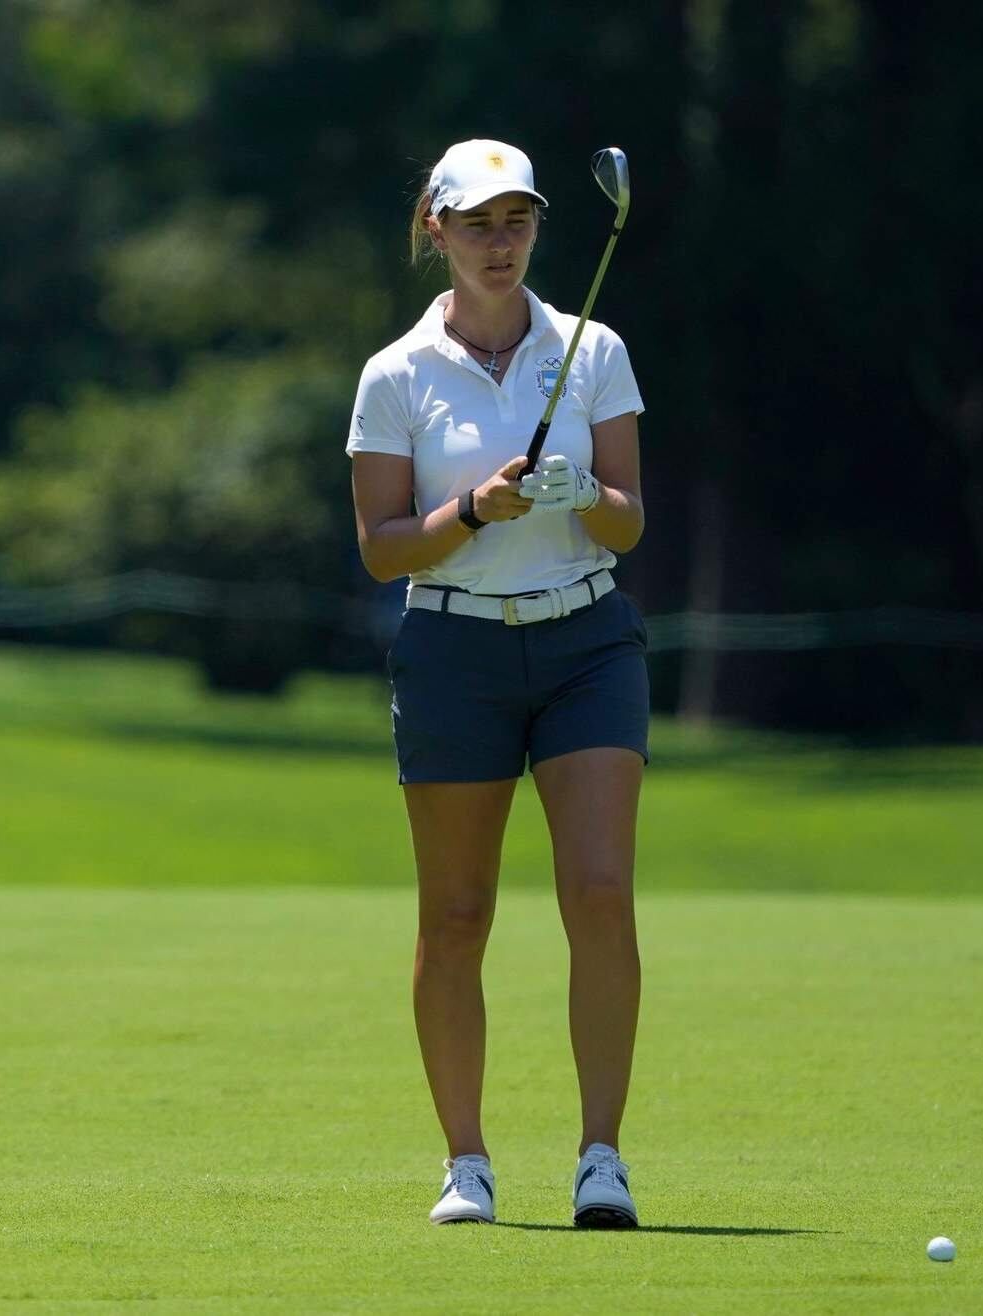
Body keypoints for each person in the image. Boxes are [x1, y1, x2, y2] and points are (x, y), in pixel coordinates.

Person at [345, 140, 650, 1228]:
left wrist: (576, 494)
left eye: (515, 220)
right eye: (476, 223)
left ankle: (600, 1157)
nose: (499, 242)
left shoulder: (591, 347)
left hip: (585, 643)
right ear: (434, 228)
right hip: (453, 652)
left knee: (599, 890)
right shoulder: (393, 374)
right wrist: (471, 508)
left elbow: (627, 516)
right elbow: (382, 548)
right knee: (458, 911)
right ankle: (464, 1161)